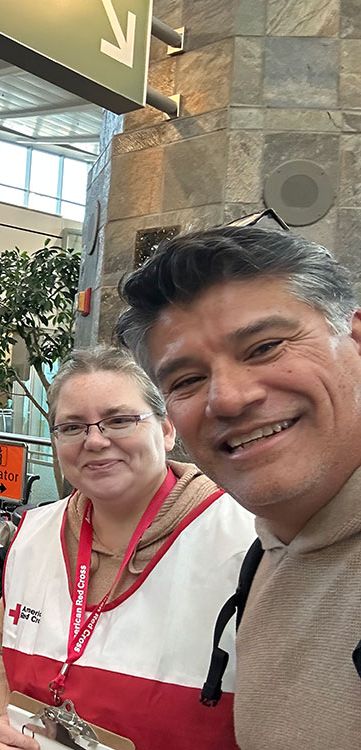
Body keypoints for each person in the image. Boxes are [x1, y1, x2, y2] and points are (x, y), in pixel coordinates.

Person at [115, 225, 361, 749]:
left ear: (356, 340)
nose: (228, 399)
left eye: (265, 347)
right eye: (185, 380)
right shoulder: (268, 554)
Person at [0, 347, 256, 750]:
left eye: (120, 420)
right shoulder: (34, 533)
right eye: (72, 427)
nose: (94, 440)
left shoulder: (250, 542)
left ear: (166, 429)